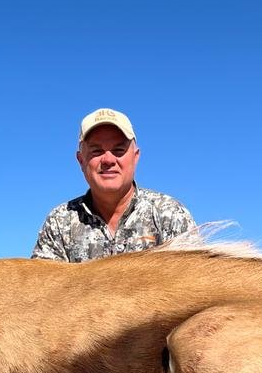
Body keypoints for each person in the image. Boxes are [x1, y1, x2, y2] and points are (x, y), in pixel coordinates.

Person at [31, 107, 196, 262]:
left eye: (118, 150)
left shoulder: (169, 214)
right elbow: (43, 288)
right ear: (81, 160)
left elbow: (195, 282)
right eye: (96, 151)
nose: (108, 160)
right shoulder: (60, 222)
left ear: (135, 157)